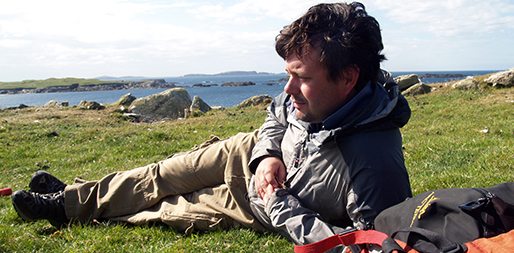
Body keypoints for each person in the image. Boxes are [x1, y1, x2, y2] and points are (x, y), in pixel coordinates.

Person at [12, 1, 412, 248]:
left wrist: (279, 205)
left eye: (302, 77)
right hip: (247, 153)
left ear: (348, 78)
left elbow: (361, 246)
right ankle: (68, 199)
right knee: (161, 174)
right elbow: (277, 113)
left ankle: (67, 209)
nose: (288, 87)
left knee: (169, 209)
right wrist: (267, 154)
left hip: (257, 204)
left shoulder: (375, 167)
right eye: (288, 73)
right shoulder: (309, 95)